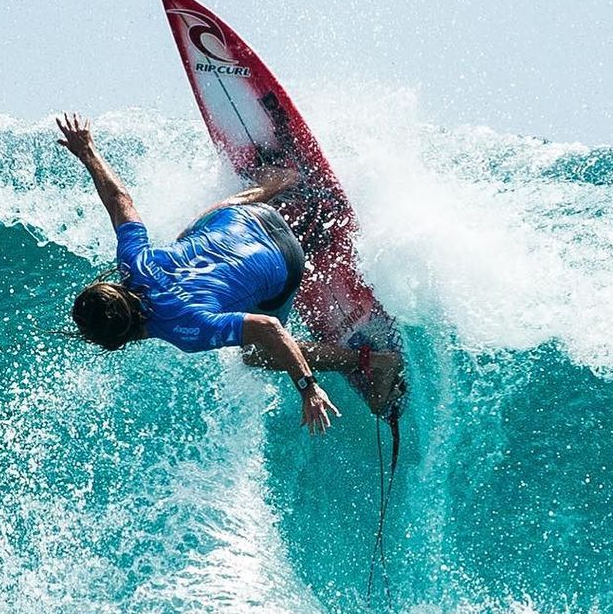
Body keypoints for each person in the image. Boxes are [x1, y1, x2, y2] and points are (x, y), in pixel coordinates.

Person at [57, 113, 402, 434]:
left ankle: (370, 362)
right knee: (188, 234)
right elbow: (121, 200)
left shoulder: (185, 329)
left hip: (287, 261)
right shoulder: (134, 264)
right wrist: (87, 151)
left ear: (118, 340)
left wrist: (308, 388)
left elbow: (270, 328)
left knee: (257, 353)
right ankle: (276, 184)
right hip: (253, 215)